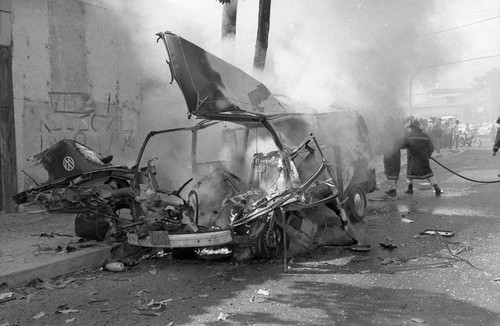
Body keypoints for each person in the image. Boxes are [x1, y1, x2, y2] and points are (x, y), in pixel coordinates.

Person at [402, 119, 442, 196]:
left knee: (410, 174)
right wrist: (428, 154)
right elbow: (431, 147)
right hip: (423, 159)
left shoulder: (409, 137)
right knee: (428, 174)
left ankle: (410, 188)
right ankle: (436, 187)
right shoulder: (425, 136)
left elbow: (403, 145)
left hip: (413, 159)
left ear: (413, 128)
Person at [382, 117, 403, 197]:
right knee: (394, 171)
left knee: (390, 171)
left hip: (389, 154)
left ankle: (393, 190)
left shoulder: (386, 132)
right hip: (396, 154)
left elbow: (384, 143)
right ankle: (393, 189)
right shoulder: (396, 131)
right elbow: (401, 142)